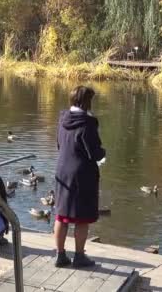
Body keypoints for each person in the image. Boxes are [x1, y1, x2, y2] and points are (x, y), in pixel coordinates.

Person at [54, 86, 106, 268]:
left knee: (62, 215)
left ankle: (60, 256)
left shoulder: (62, 118)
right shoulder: (88, 123)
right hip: (82, 174)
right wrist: (103, 152)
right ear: (86, 102)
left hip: (62, 170)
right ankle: (79, 256)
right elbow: (94, 153)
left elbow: (59, 144)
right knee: (82, 217)